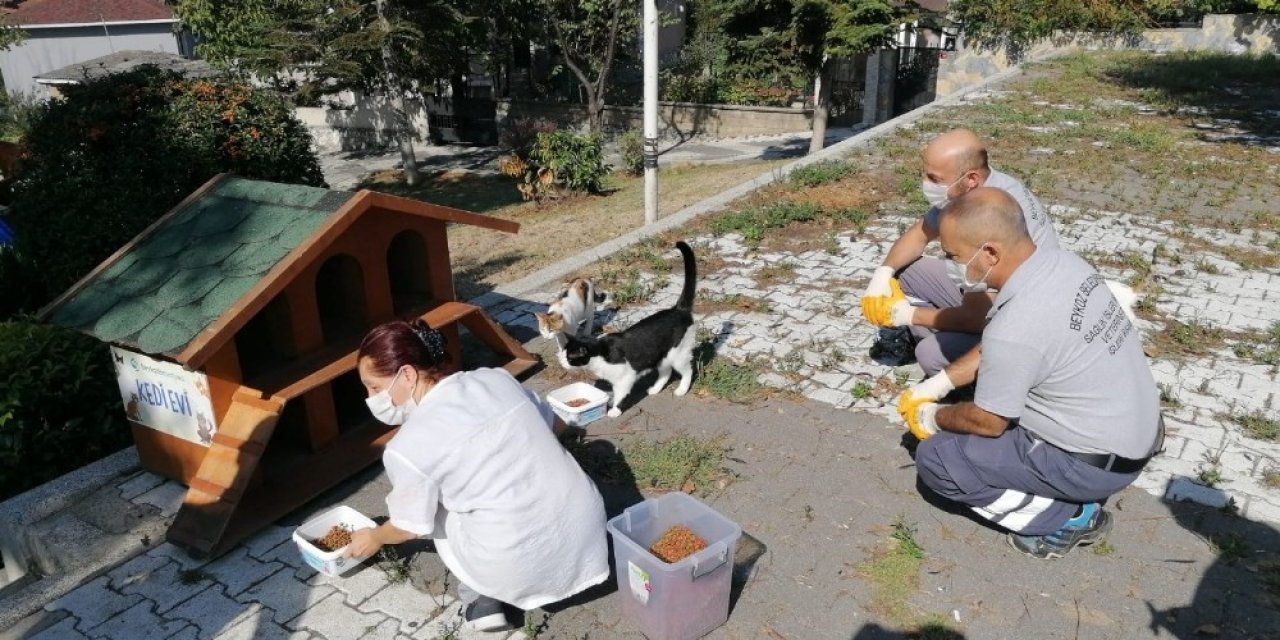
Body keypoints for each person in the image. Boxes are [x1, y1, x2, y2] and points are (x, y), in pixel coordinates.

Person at [896, 188, 1162, 559]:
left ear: (989, 253)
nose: (950, 264)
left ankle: (1069, 517)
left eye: (953, 255)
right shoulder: (1064, 264)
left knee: (939, 459)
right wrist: (940, 384)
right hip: (1136, 430)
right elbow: (997, 346)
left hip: (1094, 464)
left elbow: (990, 422)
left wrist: (933, 416)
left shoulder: (1016, 327)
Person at [345, 319, 610, 631]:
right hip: (589, 531)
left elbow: (408, 527)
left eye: (375, 387)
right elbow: (555, 425)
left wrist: (375, 538)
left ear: (407, 374)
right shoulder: (495, 378)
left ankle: (481, 599)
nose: (371, 398)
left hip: (519, 565)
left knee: (435, 507)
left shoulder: (405, 448)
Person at [861, 128, 1059, 378]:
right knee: (907, 271)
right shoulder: (975, 190)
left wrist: (907, 315)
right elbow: (919, 235)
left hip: (1020, 322)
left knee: (930, 354)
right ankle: (943, 336)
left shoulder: (989, 216)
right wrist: (882, 274)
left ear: (971, 178)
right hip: (990, 299)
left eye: (934, 179)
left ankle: (990, 381)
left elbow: (974, 317)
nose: (926, 183)